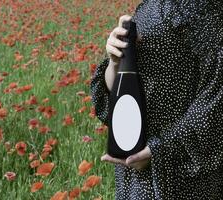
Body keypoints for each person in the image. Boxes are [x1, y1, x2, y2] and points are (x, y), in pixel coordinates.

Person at [90, 0, 223, 199]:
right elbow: (117, 89)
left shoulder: (204, 8)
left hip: (181, 177)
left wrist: (161, 149)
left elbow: (217, 98)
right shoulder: (146, 8)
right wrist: (115, 62)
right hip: (139, 171)